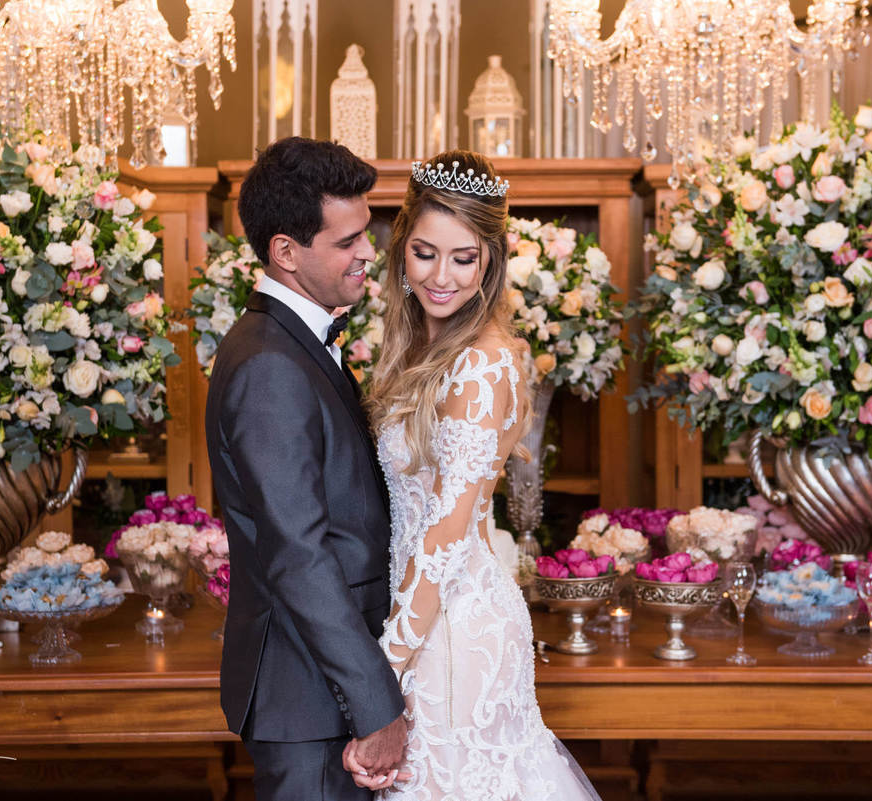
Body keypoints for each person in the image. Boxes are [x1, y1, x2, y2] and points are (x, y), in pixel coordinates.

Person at [350, 150, 602, 800]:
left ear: (490, 259)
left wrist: (382, 670)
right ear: (402, 249)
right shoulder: (422, 348)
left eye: (463, 258)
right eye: (425, 253)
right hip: (423, 615)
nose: (441, 276)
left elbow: (444, 536)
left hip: (453, 630)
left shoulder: (481, 365)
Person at [204, 136, 408, 801]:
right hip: (310, 695)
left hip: (322, 686)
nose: (368, 252)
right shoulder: (269, 364)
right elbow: (299, 553)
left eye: (365, 233)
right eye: (347, 241)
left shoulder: (293, 342)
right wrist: (376, 704)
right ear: (286, 252)